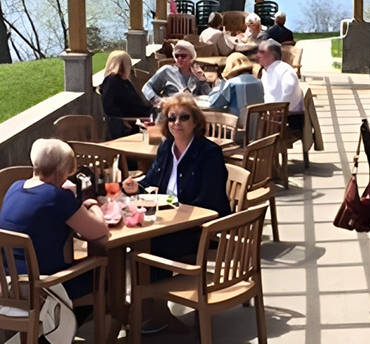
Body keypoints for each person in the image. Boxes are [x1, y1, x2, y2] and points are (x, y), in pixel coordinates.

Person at [122, 92, 230, 332]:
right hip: (167, 221)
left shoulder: (208, 153)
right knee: (130, 245)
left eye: (183, 117)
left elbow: (209, 201)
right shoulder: (167, 147)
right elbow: (152, 179)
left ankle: (155, 310)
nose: (176, 123)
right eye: (171, 118)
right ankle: (139, 307)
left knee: (147, 246)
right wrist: (135, 185)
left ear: (195, 122)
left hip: (198, 231)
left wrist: (168, 203)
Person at [0, 139, 109, 300]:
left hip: (9, 284)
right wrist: (93, 205)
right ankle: (106, 321)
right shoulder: (57, 197)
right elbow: (99, 231)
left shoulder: (14, 187)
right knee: (106, 268)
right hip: (48, 286)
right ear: (61, 170)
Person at [142, 40, 210, 107]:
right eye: (177, 56)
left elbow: (210, 96)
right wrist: (158, 100)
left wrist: (202, 80)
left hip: (192, 110)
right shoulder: (167, 70)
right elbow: (146, 88)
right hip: (171, 108)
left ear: (191, 57)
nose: (179, 58)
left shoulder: (196, 74)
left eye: (183, 56)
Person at [100, 50, 152, 138]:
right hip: (132, 117)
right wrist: (122, 119)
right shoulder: (112, 80)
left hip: (141, 113)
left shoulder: (124, 81)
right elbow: (108, 106)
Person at [257, 38, 303, 129]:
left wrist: (276, 111)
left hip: (289, 119)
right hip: (274, 117)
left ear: (272, 55)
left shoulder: (284, 70)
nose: (258, 55)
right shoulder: (266, 71)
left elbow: (289, 92)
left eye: (262, 52)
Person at [208, 52, 264, 126]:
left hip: (236, 129)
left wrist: (219, 84)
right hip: (256, 128)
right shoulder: (258, 82)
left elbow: (215, 104)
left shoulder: (232, 83)